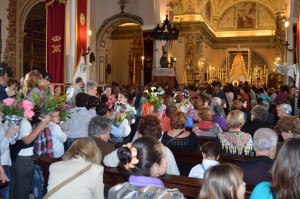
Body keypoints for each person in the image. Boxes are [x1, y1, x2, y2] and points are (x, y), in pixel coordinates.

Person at [108, 136, 184, 198]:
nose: (166, 160)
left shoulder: (115, 192)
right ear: (155, 167)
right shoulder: (173, 196)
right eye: (164, 157)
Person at [103, 115, 180, 175]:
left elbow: (106, 161)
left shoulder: (130, 148)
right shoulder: (166, 151)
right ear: (160, 133)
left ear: (139, 134)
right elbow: (175, 175)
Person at [9, 115, 50, 199]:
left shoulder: (19, 119)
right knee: (22, 186)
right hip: (23, 156)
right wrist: (40, 126)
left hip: (19, 155)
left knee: (17, 185)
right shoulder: (24, 122)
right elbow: (27, 140)